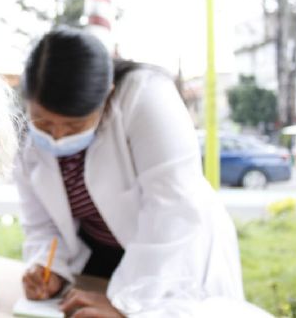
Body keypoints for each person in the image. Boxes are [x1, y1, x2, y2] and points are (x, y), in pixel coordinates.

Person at [15, 27, 244, 316]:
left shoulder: (146, 96)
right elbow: (43, 223)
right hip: (101, 253)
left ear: (107, 96)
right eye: (44, 123)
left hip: (170, 253)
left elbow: (172, 209)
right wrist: (50, 269)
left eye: (74, 126)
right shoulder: (26, 139)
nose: (57, 137)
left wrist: (126, 304)